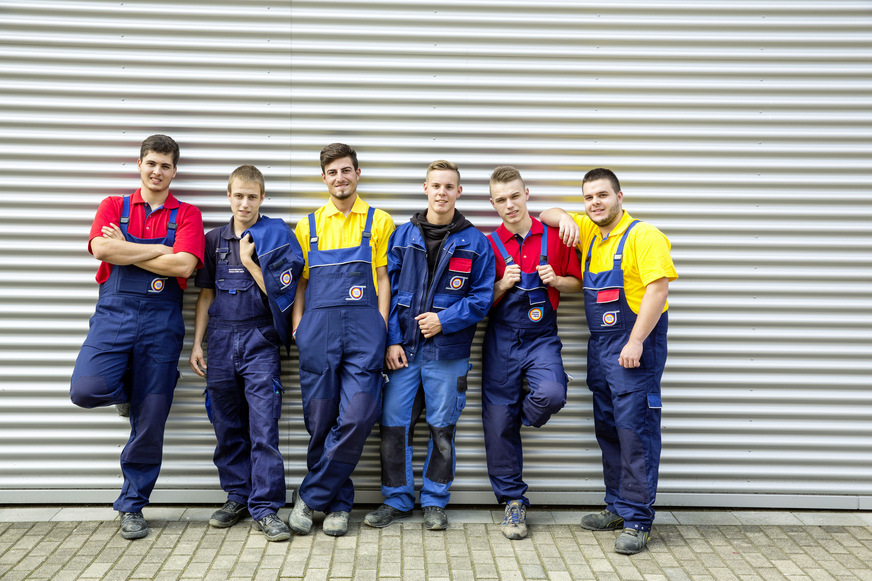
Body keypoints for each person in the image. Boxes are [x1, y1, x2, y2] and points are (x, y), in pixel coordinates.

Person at [69, 134, 204, 540]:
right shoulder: (114, 206)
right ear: (140, 164)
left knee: (150, 423)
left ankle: (132, 505)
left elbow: (184, 267)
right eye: (151, 163)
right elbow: (100, 250)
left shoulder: (189, 214)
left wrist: (126, 246)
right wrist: (157, 250)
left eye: (165, 165)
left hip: (162, 329)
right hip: (113, 319)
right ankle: (125, 391)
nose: (157, 171)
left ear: (174, 171)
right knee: (87, 389)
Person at [540, 168, 677, 554]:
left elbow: (657, 289)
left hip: (634, 347)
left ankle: (638, 519)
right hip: (600, 349)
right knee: (609, 429)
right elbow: (548, 213)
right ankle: (617, 507)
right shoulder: (590, 231)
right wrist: (565, 217)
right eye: (588, 198)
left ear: (620, 197)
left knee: (636, 432)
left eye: (602, 195)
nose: (595, 203)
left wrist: (636, 341)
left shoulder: (642, 236)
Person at [363, 160, 495, 531]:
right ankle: (398, 500)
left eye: (448, 186)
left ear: (458, 192)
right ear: (425, 188)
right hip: (402, 351)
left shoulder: (476, 243)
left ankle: (435, 500)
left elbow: (482, 298)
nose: (441, 192)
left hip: (447, 353)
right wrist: (390, 340)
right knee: (392, 426)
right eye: (435, 185)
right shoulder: (402, 236)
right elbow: (383, 293)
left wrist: (444, 320)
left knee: (442, 427)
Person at [189, 165, 303, 542]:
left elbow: (282, 297)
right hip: (220, 340)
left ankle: (266, 508)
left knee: (264, 427)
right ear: (228, 196)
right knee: (226, 423)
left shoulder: (276, 235)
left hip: (259, 339)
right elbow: (205, 294)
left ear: (262, 198)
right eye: (238, 195)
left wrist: (252, 262)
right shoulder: (212, 240)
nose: (245, 203)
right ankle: (237, 495)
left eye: (252, 196)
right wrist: (197, 343)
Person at [289, 143, 395, 537]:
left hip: (365, 332)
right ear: (324, 178)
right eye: (332, 172)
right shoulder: (308, 226)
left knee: (358, 416)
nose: (340, 178)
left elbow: (384, 279)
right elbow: (299, 284)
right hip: (317, 333)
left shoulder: (380, 221)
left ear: (357, 173)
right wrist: (299, 326)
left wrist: (382, 325)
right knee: (320, 422)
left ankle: (310, 496)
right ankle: (338, 506)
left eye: (346, 170)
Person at [483, 166, 582, 540]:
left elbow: (578, 282)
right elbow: (478, 303)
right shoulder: (487, 244)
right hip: (501, 339)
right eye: (501, 200)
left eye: (515, 196)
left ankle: (522, 413)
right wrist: (500, 286)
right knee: (497, 423)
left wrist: (556, 281)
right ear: (492, 204)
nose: (509, 205)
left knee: (552, 393)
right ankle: (513, 504)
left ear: (527, 194)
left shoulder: (555, 235)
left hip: (542, 337)